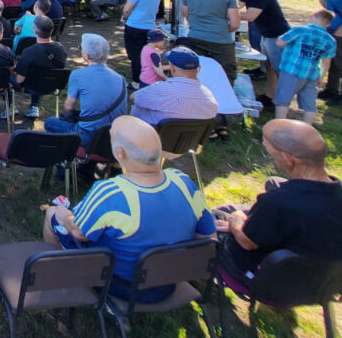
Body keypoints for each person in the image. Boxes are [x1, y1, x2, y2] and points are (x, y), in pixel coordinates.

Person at [44, 116, 216, 303]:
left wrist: (64, 215)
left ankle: (57, 283)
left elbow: (78, 232)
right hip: (169, 281)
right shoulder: (183, 181)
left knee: (53, 214)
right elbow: (207, 236)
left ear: (120, 152)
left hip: (119, 284)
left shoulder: (110, 192)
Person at [215, 120, 342, 284]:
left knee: (220, 215)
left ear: (288, 158)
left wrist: (236, 221)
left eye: (267, 148)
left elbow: (247, 242)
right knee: (267, 189)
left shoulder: (276, 203)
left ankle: (201, 281)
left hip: (274, 283)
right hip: (328, 283)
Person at [44, 34, 128, 149]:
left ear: (87, 56)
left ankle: (62, 156)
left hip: (88, 135)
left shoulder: (77, 75)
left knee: (50, 122)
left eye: (81, 49)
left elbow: (69, 107)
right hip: (113, 136)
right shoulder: (121, 79)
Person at [274, 9, 337, 122]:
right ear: (328, 24)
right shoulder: (330, 40)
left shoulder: (300, 30)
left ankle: (278, 125)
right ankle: (307, 127)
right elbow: (326, 62)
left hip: (291, 70)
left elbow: (280, 42)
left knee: (283, 100)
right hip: (312, 74)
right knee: (310, 106)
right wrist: (321, 77)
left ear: (312, 17)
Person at [234, 0, 291, 97]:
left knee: (278, 69)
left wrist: (226, 14)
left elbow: (250, 16)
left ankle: (283, 98)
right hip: (266, 34)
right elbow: (237, 6)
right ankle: (270, 95)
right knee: (268, 67)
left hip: (277, 35)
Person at [130, 47, 218, 127]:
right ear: (199, 68)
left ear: (172, 69)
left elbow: (134, 97)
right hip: (191, 139)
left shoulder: (160, 89)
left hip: (150, 135)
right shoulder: (209, 97)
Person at [181, 0, 240, 83]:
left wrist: (196, 25)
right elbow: (235, 23)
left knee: (196, 72)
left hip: (196, 36)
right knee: (226, 74)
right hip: (220, 39)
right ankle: (224, 93)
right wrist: (223, 29)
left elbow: (186, 14)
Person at [14, 16, 66, 119]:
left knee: (8, 76)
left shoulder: (28, 52)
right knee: (42, 73)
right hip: (52, 85)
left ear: (34, 31)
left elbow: (19, 80)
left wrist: (13, 70)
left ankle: (10, 106)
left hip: (31, 86)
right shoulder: (61, 49)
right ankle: (34, 106)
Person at [121, 0, 161, 85]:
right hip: (150, 26)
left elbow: (127, 9)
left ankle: (136, 81)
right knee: (146, 54)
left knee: (135, 55)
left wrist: (124, 18)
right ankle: (148, 78)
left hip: (135, 26)